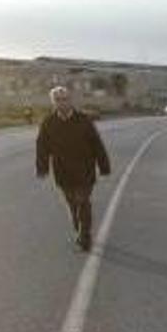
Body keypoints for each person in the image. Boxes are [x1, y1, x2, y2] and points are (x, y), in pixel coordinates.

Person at [36, 86, 111, 252]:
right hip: (63, 173)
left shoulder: (84, 120)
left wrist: (104, 166)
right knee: (72, 205)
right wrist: (42, 167)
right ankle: (80, 229)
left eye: (65, 99)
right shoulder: (48, 123)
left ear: (70, 100)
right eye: (58, 100)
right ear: (53, 103)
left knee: (83, 202)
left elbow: (96, 144)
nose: (62, 103)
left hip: (84, 171)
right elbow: (42, 146)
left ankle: (85, 236)